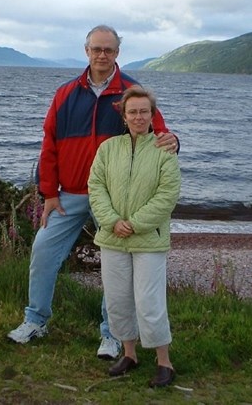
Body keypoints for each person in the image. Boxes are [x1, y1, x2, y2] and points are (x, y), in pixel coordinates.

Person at [7, 25, 179, 361]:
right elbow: (49, 145)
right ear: (86, 51)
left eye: (109, 50)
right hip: (68, 195)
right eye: (96, 49)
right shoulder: (66, 93)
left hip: (114, 202)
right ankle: (35, 320)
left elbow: (159, 134)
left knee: (117, 267)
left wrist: (175, 141)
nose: (102, 55)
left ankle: (112, 335)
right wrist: (49, 194)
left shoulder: (132, 91)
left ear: (118, 53)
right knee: (42, 252)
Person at [88, 85, 181, 387]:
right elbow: (96, 187)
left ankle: (164, 362)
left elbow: (167, 195)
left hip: (148, 239)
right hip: (112, 237)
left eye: (144, 111)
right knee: (118, 299)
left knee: (149, 301)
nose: (138, 117)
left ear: (152, 115)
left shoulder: (164, 151)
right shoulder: (108, 149)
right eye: (133, 112)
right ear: (124, 117)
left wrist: (135, 223)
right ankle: (129, 354)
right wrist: (112, 221)